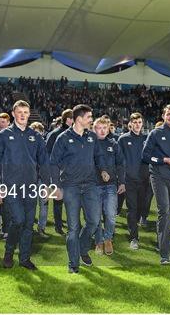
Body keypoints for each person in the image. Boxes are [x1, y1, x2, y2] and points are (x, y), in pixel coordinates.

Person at [0, 101, 50, 270]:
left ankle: (25, 258)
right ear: (13, 113)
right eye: (20, 112)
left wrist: (46, 185)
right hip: (10, 187)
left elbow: (44, 162)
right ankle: (9, 253)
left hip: (30, 187)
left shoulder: (36, 136)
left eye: (26, 112)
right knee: (18, 220)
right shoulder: (4, 135)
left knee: (28, 224)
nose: (23, 115)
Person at [50, 104, 107, 274]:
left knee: (94, 221)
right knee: (74, 227)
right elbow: (53, 163)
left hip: (90, 185)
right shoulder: (63, 138)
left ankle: (82, 249)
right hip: (70, 186)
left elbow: (98, 156)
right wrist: (57, 186)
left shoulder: (92, 137)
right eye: (89, 117)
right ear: (79, 119)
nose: (91, 120)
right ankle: (73, 263)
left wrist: (103, 169)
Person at [142, 105, 170, 265]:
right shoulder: (155, 133)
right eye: (168, 114)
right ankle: (165, 252)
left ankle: (163, 242)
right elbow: (145, 155)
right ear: (163, 116)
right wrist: (163, 160)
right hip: (158, 175)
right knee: (164, 211)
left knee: (169, 213)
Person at [93, 117, 125, 256]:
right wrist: (101, 171)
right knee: (95, 217)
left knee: (111, 215)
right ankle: (99, 241)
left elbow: (120, 164)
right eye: (99, 127)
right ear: (94, 129)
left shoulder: (114, 144)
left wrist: (122, 182)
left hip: (111, 185)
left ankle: (108, 239)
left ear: (108, 129)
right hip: (93, 185)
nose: (102, 130)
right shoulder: (89, 144)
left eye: (104, 128)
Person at [118, 112, 149, 250]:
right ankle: (134, 237)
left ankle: (134, 226)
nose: (137, 125)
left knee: (141, 209)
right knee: (132, 208)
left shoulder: (147, 138)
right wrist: (121, 180)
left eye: (139, 122)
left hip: (145, 181)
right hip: (129, 180)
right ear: (130, 123)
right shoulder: (123, 139)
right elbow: (119, 161)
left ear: (142, 124)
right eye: (135, 122)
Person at [45, 108, 73, 236]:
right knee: (58, 201)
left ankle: (71, 225)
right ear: (68, 119)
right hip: (58, 173)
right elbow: (47, 154)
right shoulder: (55, 134)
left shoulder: (75, 133)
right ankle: (58, 226)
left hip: (71, 174)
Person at [30, 121, 50, 238]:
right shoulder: (25, 146)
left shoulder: (44, 146)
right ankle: (30, 228)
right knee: (31, 205)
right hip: (30, 179)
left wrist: (48, 182)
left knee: (44, 205)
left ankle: (41, 228)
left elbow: (47, 164)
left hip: (42, 179)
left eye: (39, 132)